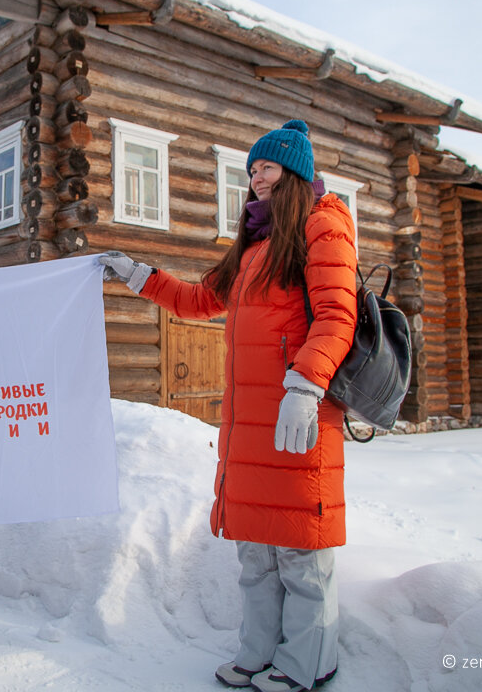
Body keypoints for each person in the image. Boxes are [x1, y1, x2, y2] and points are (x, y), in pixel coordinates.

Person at [99, 120, 356, 692]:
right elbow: (197, 301)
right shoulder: (255, 243)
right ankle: (258, 651)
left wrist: (305, 387)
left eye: (265, 167)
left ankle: (309, 662)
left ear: (295, 171)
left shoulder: (323, 225)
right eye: (252, 170)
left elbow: (339, 316)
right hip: (251, 421)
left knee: (300, 551)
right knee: (257, 553)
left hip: (300, 413)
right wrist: (138, 275)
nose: (256, 178)